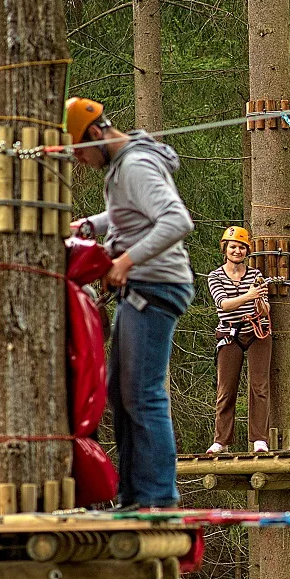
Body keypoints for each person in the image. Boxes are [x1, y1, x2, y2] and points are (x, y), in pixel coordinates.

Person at [67, 96, 194, 509]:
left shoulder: (135, 165)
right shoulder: (123, 166)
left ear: (95, 133)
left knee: (142, 394)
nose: (80, 161)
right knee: (121, 393)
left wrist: (125, 260)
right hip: (144, 286)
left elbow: (177, 220)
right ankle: (134, 495)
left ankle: (157, 499)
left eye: (79, 151)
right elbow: (126, 213)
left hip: (154, 286)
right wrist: (89, 225)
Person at [206, 226, 271, 455]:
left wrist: (260, 302)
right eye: (233, 247)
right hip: (229, 333)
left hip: (257, 331)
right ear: (225, 248)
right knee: (226, 388)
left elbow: (264, 307)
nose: (237, 251)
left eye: (242, 248)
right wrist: (249, 296)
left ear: (247, 251)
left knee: (259, 386)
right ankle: (221, 440)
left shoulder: (255, 275)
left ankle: (259, 439)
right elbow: (223, 304)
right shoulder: (215, 276)